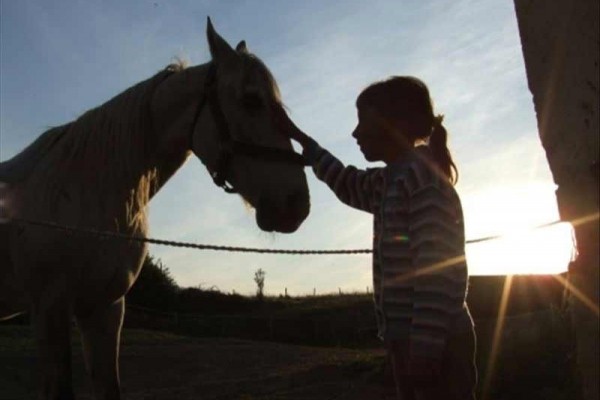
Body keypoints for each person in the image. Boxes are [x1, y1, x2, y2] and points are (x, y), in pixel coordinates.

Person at [276, 76, 477, 399]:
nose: (355, 133)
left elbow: (436, 274)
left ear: (393, 123)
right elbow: (346, 182)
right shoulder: (389, 181)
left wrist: (424, 351)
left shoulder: (423, 181)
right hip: (412, 341)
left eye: (362, 121)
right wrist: (303, 141)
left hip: (435, 344)